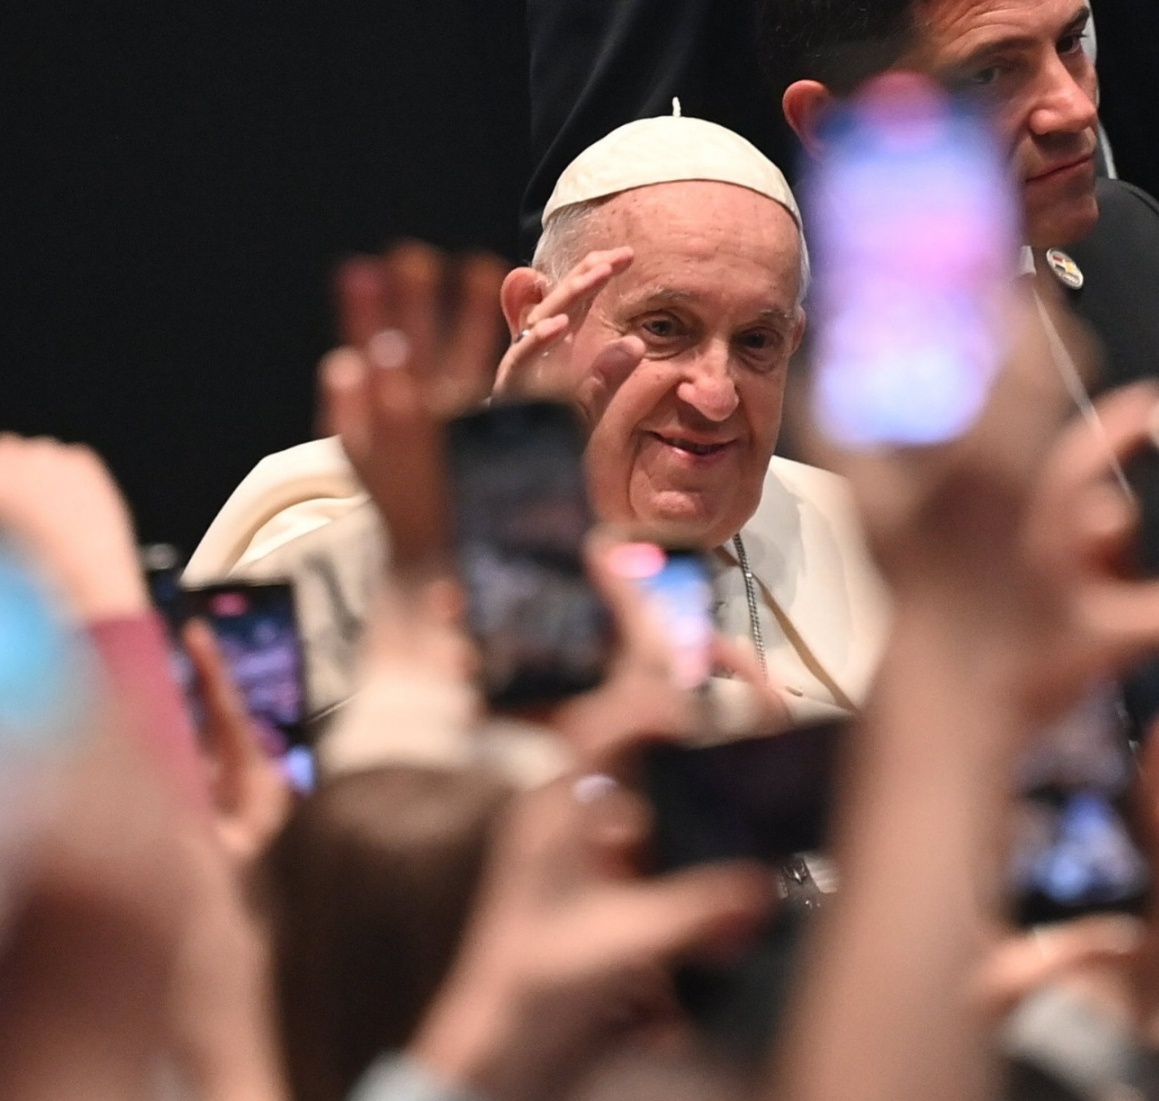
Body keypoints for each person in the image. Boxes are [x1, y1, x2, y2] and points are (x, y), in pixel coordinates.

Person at [187, 116, 889, 724]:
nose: (715, 395)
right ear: (534, 315)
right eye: (664, 326)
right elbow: (217, 736)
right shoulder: (349, 502)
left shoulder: (868, 534)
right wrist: (489, 500)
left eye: (757, 341)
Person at [757, 0, 1159, 411]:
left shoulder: (1133, 244)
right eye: (988, 73)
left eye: (1070, 42)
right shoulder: (762, 385)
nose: (1075, 109)